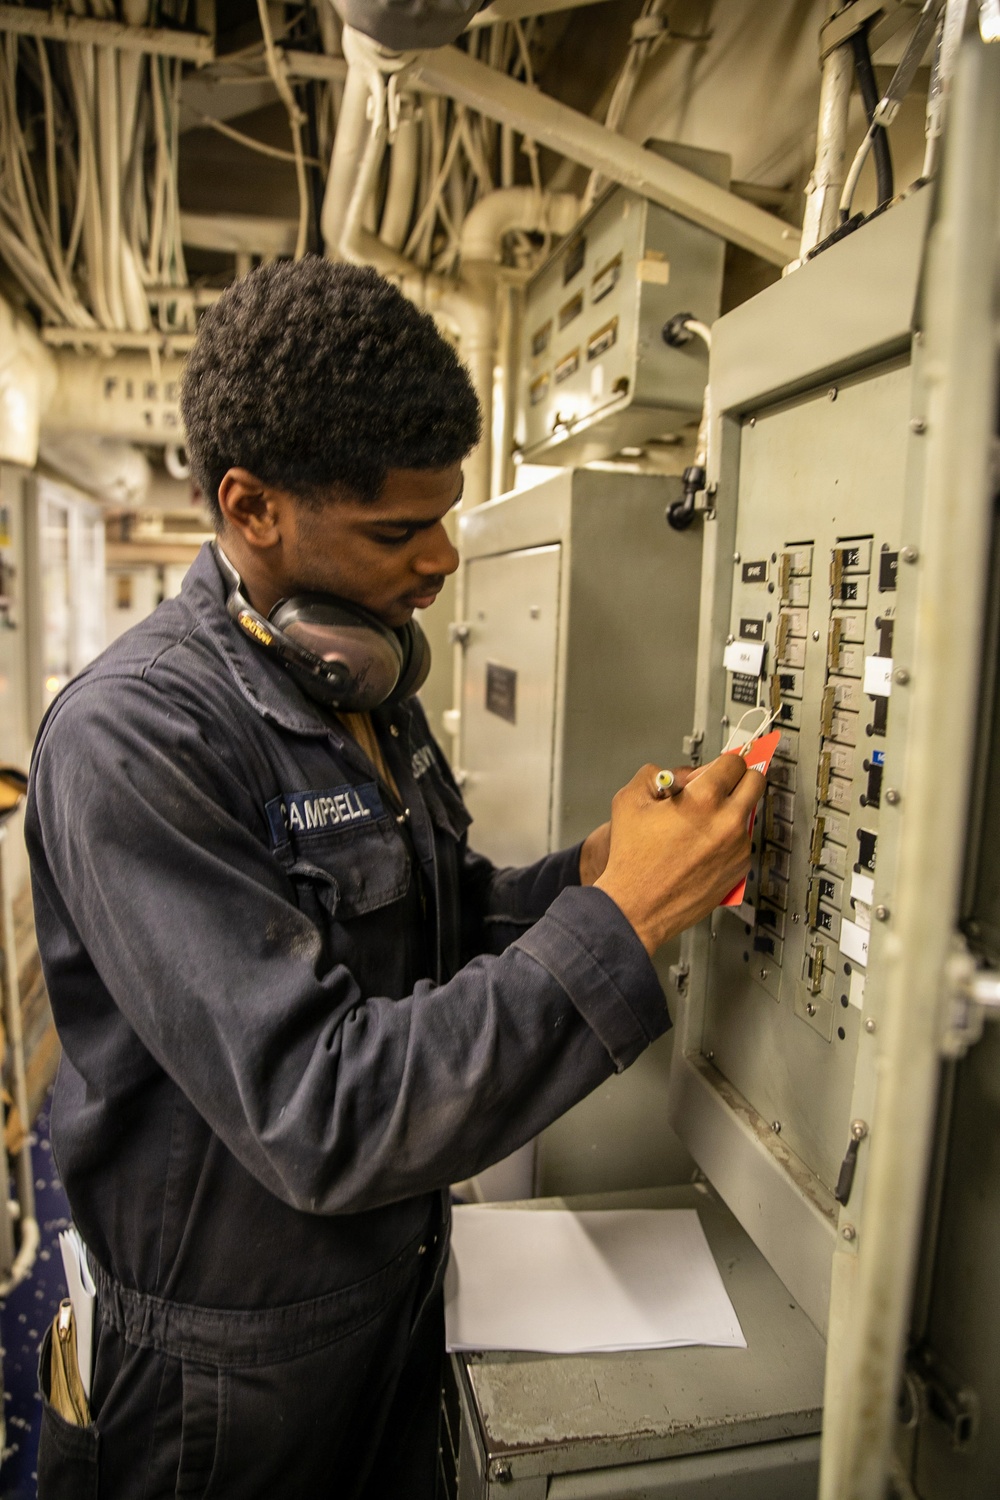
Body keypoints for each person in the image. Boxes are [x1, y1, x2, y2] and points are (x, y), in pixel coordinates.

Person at [25, 258, 763, 1499]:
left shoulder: (353, 677)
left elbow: (434, 920)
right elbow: (324, 1111)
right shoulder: (137, 741)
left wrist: (589, 871)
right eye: (395, 531)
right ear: (251, 507)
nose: (443, 561)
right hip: (227, 1388)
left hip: (393, 1298)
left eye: (447, 516)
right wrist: (619, 919)